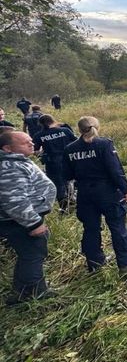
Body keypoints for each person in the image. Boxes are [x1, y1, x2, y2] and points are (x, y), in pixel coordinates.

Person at [63, 116, 127, 274]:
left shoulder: (70, 148)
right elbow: (115, 170)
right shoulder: (104, 144)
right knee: (117, 226)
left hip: (84, 193)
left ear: (79, 129)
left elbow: (67, 174)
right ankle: (125, 263)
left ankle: (95, 263)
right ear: (97, 126)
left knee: (90, 229)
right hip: (108, 192)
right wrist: (125, 189)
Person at [0, 130, 57, 305]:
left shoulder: (15, 161)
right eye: (25, 142)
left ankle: (21, 292)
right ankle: (36, 293)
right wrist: (34, 224)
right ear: (8, 148)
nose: (31, 144)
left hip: (20, 220)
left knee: (28, 254)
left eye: (30, 141)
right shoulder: (10, 167)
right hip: (19, 222)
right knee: (33, 253)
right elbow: (14, 201)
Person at [33, 115, 76, 213]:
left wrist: (42, 153)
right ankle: (72, 202)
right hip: (68, 160)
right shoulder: (65, 130)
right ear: (53, 120)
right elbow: (75, 143)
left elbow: (35, 151)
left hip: (52, 163)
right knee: (70, 181)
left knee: (58, 185)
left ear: (41, 124)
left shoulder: (39, 135)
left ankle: (65, 208)